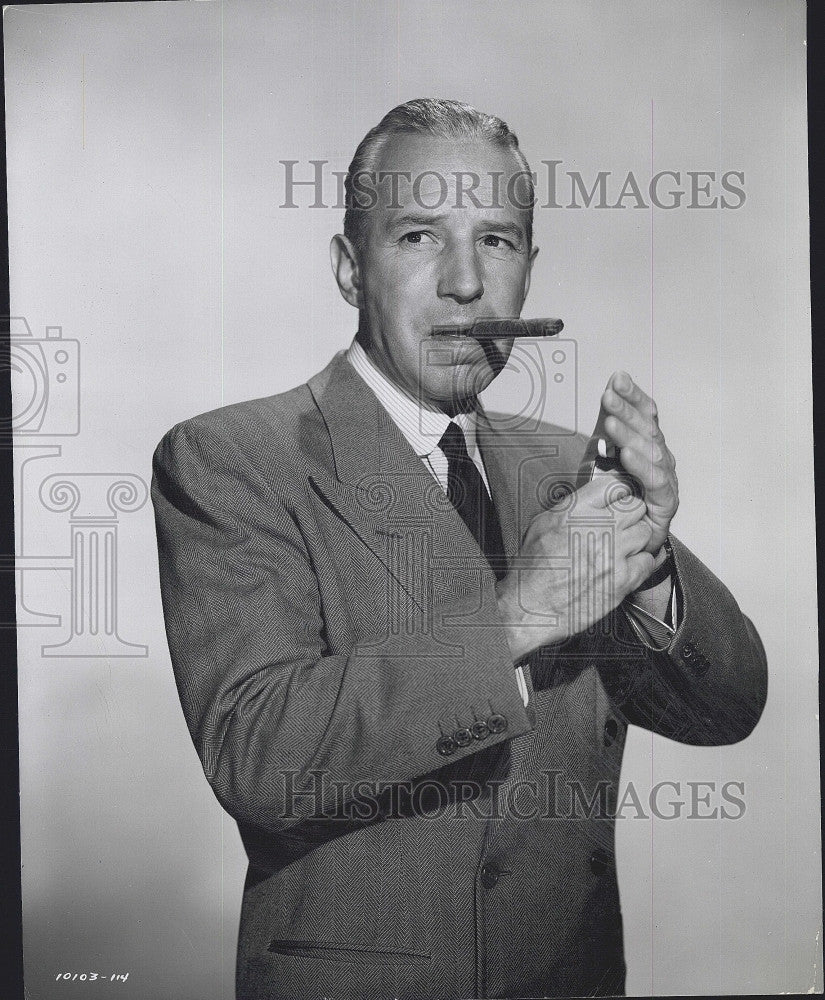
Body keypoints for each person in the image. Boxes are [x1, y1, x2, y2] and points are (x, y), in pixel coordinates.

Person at [151, 98, 767, 1000]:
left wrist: (649, 561)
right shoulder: (233, 458)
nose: (467, 283)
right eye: (417, 236)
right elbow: (258, 756)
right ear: (347, 267)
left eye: (499, 241)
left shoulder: (566, 467)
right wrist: (523, 614)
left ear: (529, 269)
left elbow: (727, 710)